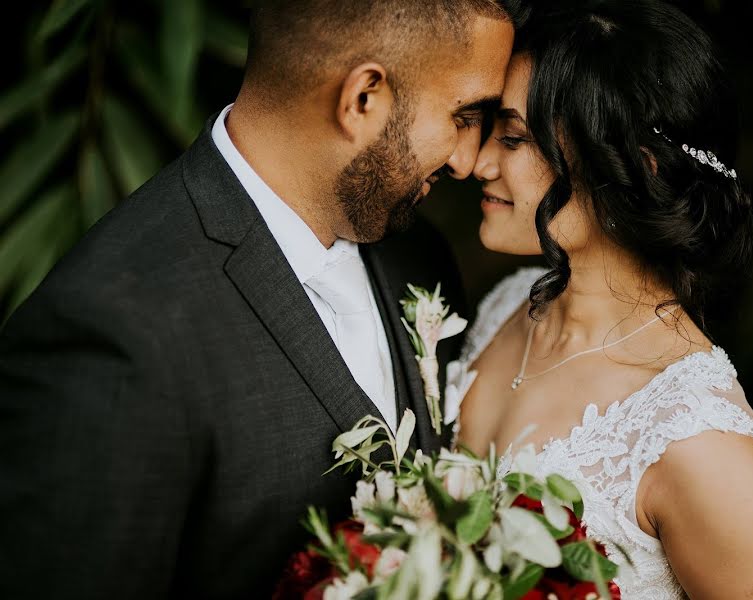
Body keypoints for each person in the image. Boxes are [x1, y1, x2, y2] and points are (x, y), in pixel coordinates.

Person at [0, 2, 518, 598]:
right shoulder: (112, 333)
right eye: (463, 115)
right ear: (363, 99)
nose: (467, 159)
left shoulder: (417, 255)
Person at [449, 0, 753, 597]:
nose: (477, 162)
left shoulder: (703, 444)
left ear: (632, 168)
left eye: (515, 138)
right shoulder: (508, 307)